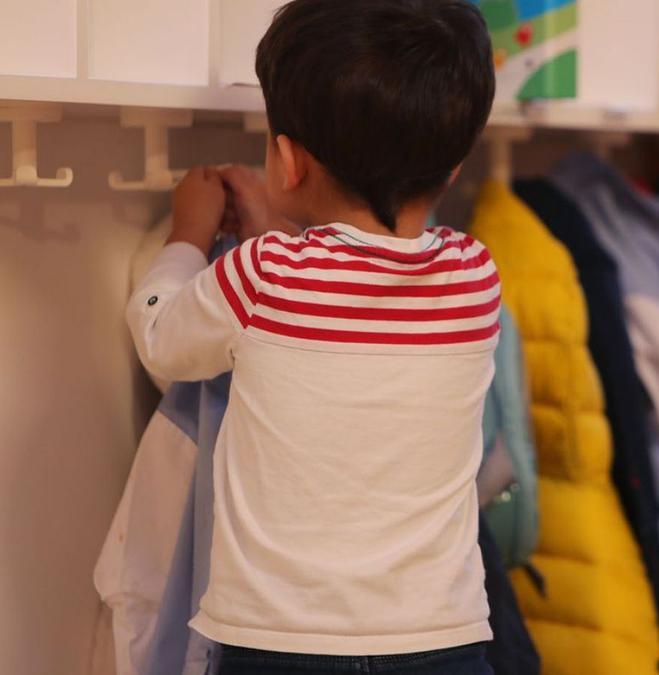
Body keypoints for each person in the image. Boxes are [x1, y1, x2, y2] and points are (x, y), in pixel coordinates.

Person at [125, 1, 499, 672]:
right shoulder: (475, 279)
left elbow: (162, 334)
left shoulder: (263, 274)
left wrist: (187, 235)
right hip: (442, 637)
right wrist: (285, 225)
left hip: (279, 645)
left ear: (288, 161)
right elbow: (351, 290)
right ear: (451, 168)